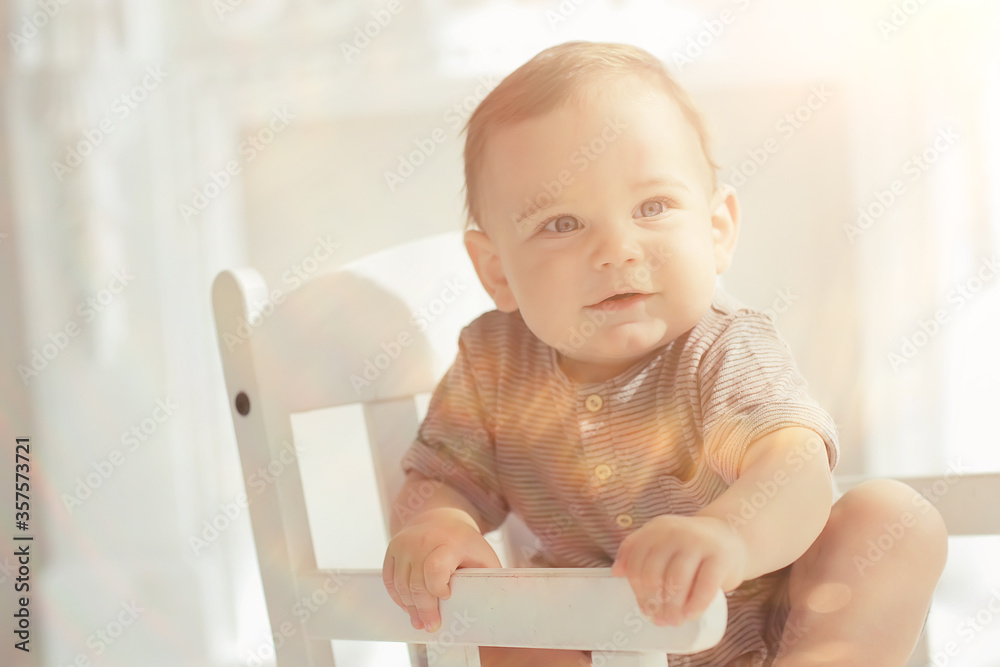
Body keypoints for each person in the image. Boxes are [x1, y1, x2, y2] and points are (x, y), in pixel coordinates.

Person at [382, 41, 948, 666]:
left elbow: (795, 470)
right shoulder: (494, 363)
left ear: (716, 231)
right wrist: (441, 527)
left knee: (893, 520)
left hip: (762, 636)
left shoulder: (724, 349)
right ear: (498, 272)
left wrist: (726, 535)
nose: (618, 249)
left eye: (653, 207)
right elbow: (440, 479)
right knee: (507, 609)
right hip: (595, 644)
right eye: (563, 223)